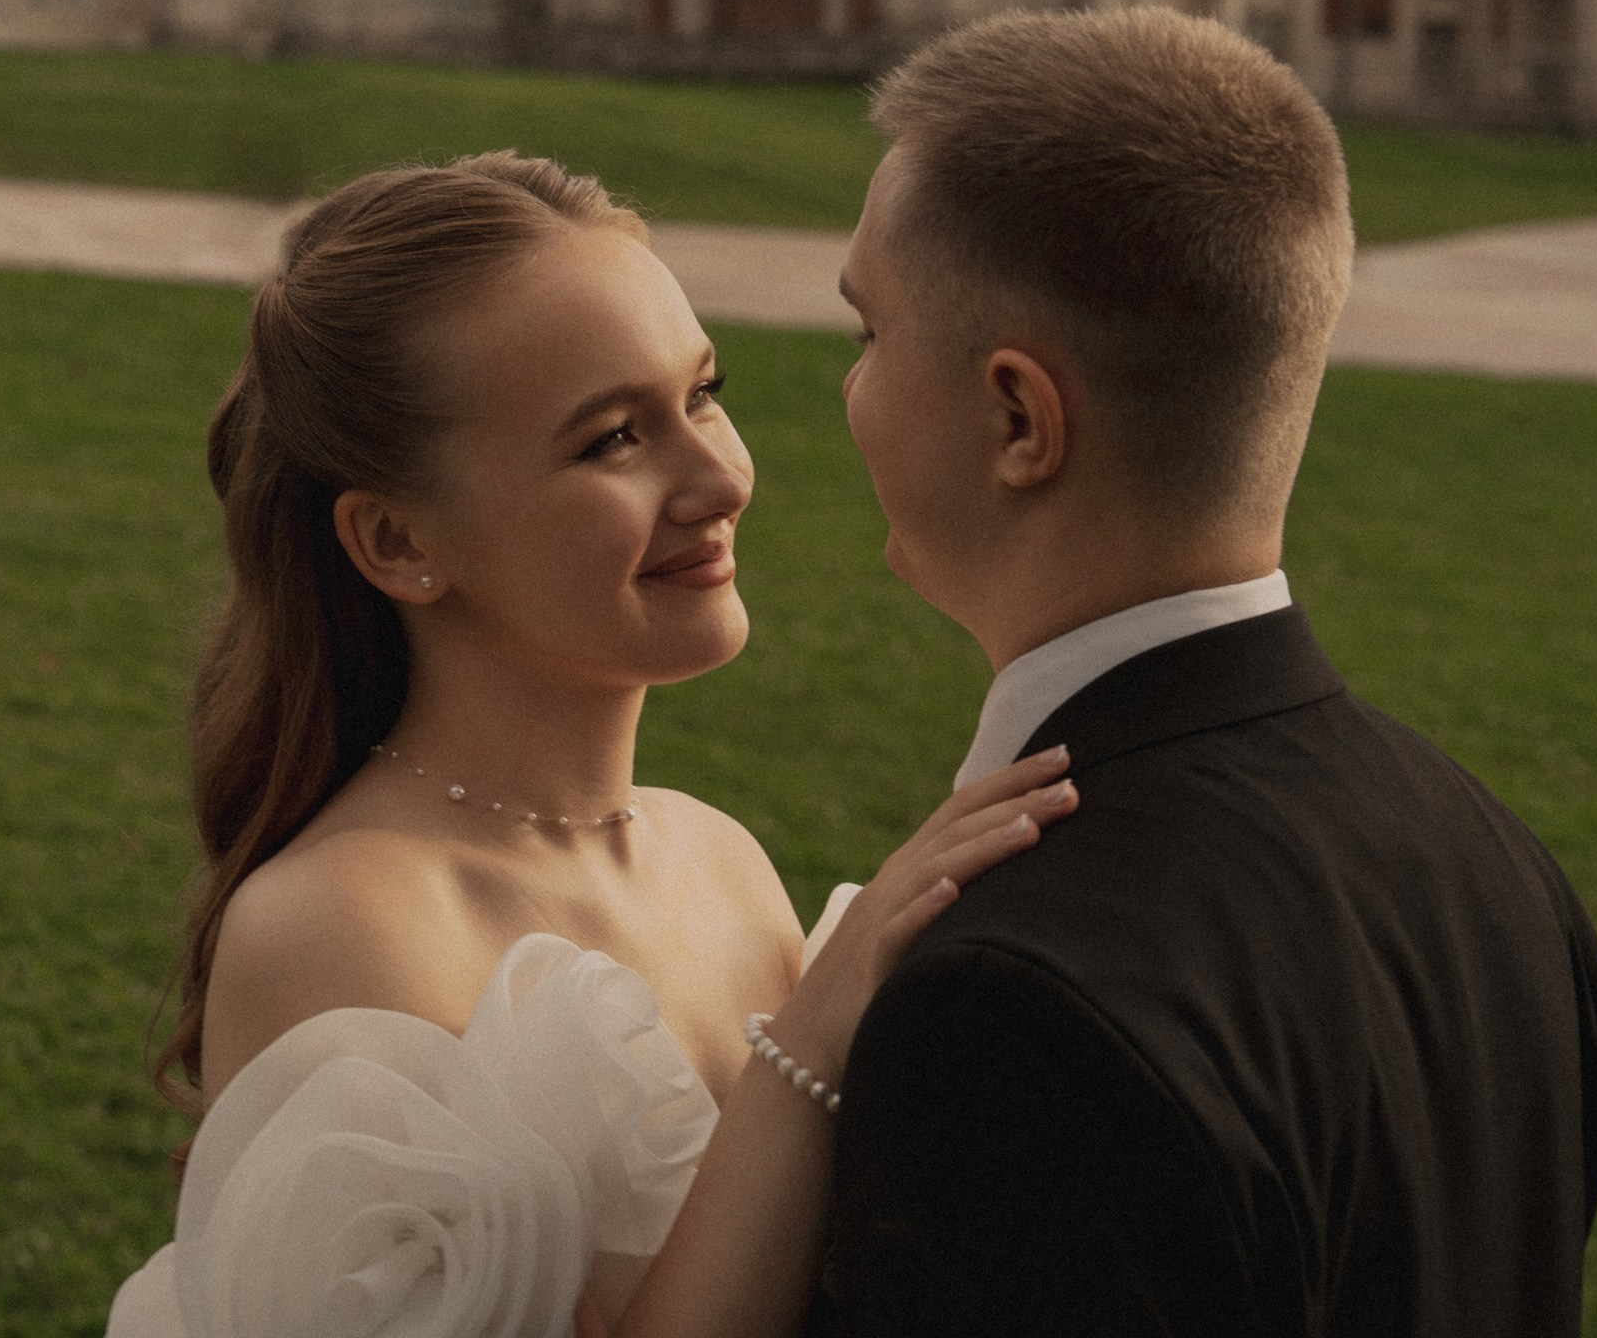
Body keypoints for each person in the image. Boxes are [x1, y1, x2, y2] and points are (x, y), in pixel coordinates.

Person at [105, 152, 1080, 1338]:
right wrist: (813, 1039)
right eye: (613, 438)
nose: (720, 478)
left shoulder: (717, 858)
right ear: (399, 540)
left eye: (704, 393)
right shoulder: (344, 921)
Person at [809, 6, 1597, 1335]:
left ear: (1019, 418)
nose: (849, 385)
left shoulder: (1007, 1017)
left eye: (867, 335)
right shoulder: (1496, 867)